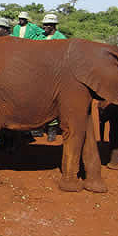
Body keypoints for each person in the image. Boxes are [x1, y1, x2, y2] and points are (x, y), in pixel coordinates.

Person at [40, 13, 67, 141]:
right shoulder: (40, 37)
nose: (44, 27)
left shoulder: (61, 38)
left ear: (53, 25)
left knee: (53, 101)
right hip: (39, 73)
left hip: (54, 75)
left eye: (46, 25)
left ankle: (52, 128)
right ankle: (39, 126)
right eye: (44, 24)